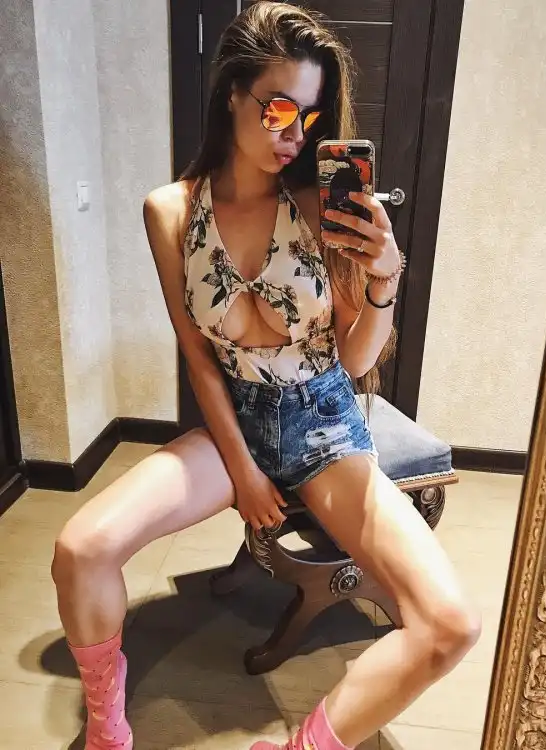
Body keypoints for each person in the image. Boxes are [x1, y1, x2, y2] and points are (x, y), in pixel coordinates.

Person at [51, 3, 480, 749]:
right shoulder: (171, 212)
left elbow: (354, 361)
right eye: (278, 108)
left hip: (324, 426)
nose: (295, 133)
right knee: (79, 549)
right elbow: (198, 355)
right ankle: (106, 732)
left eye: (309, 117)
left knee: (451, 624)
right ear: (232, 94)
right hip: (233, 426)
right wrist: (245, 471)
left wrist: (385, 278)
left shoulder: (320, 206)